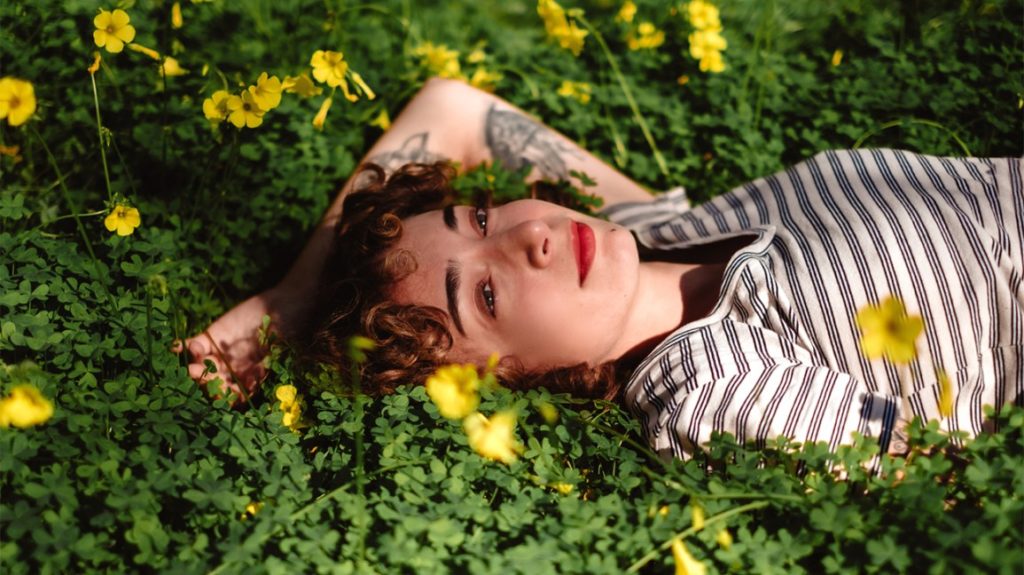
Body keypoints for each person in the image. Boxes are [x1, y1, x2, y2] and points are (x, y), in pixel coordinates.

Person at [180, 77, 1023, 461]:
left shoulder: (657, 234)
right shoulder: (711, 382)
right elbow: (920, 470)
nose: (531, 238)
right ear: (501, 379)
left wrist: (294, 294)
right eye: (484, 293)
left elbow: (455, 108)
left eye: (479, 217)